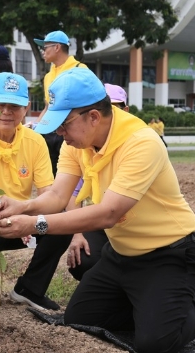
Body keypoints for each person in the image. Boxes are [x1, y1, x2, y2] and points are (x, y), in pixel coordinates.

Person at [0, 68, 195, 352]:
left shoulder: (141, 142)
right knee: (79, 319)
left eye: (64, 124)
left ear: (93, 116)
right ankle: (152, 307)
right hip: (120, 255)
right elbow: (57, 195)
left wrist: (33, 225)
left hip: (169, 253)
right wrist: (24, 206)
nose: (59, 133)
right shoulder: (77, 143)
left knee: (155, 343)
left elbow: (109, 213)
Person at [0, 72, 71, 310]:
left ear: (26, 107)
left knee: (60, 225)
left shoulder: (35, 141)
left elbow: (49, 194)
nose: (7, 112)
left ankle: (29, 288)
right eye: (1, 105)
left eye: (15, 105)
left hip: (19, 224)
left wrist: (27, 219)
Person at [66, 83, 128, 282]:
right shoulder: (83, 147)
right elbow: (69, 193)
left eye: (116, 107)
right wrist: (77, 233)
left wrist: (35, 223)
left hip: (134, 225)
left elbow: (113, 211)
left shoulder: (137, 144)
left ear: (125, 111)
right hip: (103, 222)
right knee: (83, 259)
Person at [33, 30, 88, 176]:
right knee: (51, 174)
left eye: (45, 48)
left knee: (73, 176)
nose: (43, 52)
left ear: (57, 47)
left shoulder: (79, 70)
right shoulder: (48, 76)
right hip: (51, 130)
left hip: (72, 131)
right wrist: (36, 127)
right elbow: (47, 106)